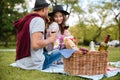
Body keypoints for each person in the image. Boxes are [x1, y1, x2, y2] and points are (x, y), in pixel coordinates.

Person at [13, 0, 62, 70]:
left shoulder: (27, 19)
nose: (48, 12)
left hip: (21, 62)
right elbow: (35, 45)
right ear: (44, 9)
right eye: (47, 9)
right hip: (35, 64)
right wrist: (51, 39)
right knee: (62, 50)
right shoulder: (38, 20)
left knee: (49, 52)